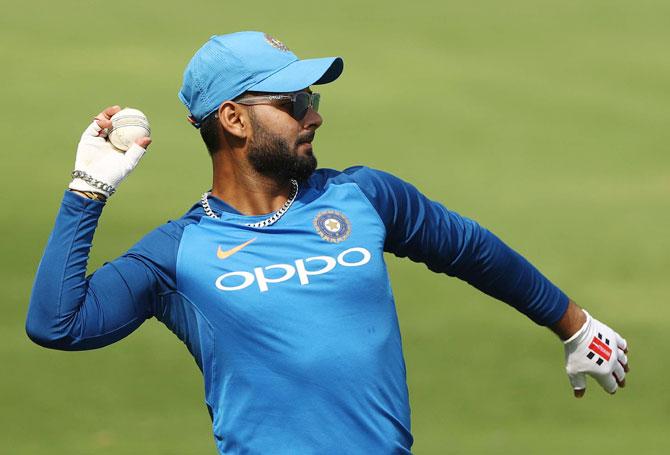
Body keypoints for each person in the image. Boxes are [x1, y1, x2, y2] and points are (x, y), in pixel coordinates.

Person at [26, 31, 629, 454]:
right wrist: (88, 189)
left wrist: (575, 326)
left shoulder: (364, 197)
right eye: (294, 103)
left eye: (313, 100)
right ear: (234, 119)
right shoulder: (175, 255)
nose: (314, 116)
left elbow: (471, 250)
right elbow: (58, 323)